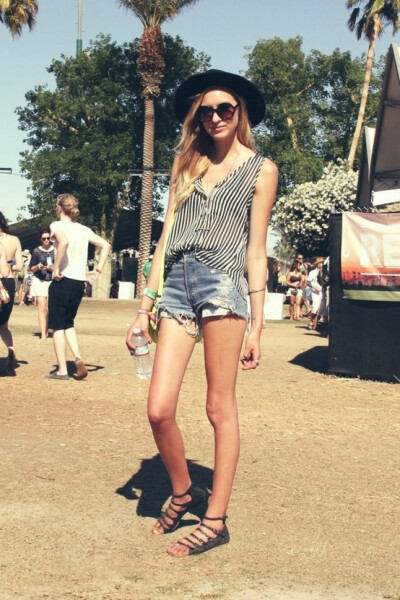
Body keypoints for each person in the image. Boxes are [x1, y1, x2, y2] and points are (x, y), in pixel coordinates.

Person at [126, 69, 277, 557]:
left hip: (224, 286)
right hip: (176, 286)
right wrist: (143, 306)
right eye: (206, 111)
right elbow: (165, 239)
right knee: (159, 407)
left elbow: (257, 251)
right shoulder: (186, 166)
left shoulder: (261, 169)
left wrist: (258, 323)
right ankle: (184, 489)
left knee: (218, 407)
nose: (215, 117)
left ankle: (215, 520)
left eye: (225, 109)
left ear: (240, 113)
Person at [46, 194, 110, 380]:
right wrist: (97, 270)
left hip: (62, 280)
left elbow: (63, 242)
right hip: (78, 283)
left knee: (57, 327)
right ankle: (78, 357)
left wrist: (56, 266)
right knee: (69, 323)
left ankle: (62, 370)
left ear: (59, 207)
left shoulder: (56, 225)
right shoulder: (84, 229)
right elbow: (106, 245)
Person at [0, 211, 22, 376]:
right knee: (3, 325)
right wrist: (9, 264)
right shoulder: (14, 240)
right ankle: (11, 349)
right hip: (8, 282)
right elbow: (19, 266)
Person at [29, 227, 55, 340]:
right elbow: (31, 268)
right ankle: (43, 334)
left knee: (50, 308)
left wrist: (53, 268)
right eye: (44, 238)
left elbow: (61, 266)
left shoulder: (56, 250)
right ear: (41, 239)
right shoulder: (36, 251)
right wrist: (37, 267)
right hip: (39, 280)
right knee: (42, 307)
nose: (46, 240)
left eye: (48, 238)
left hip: (53, 281)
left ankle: (49, 330)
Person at [306, 257, 325, 330]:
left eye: (322, 263)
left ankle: (316, 324)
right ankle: (311, 321)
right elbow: (308, 282)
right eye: (320, 263)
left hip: (323, 291)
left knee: (321, 308)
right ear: (316, 264)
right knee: (315, 307)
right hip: (315, 292)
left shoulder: (324, 272)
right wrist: (313, 287)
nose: (321, 264)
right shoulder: (312, 272)